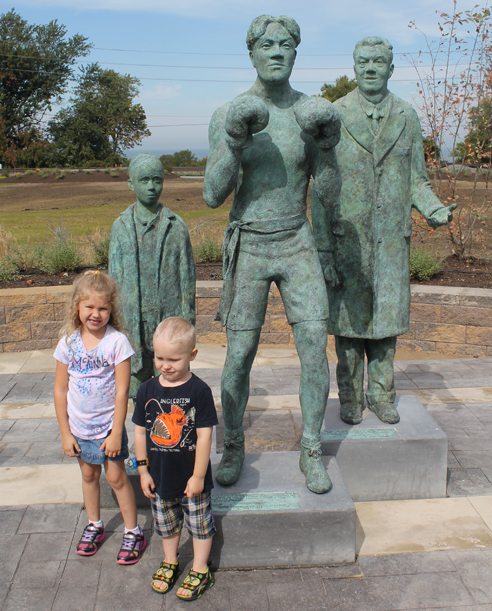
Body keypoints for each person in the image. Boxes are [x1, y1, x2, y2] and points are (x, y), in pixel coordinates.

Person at [203, 14, 341, 494]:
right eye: (267, 44)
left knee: (313, 350)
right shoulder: (229, 113)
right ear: (253, 53)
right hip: (251, 246)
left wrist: (325, 146)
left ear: (296, 53)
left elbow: (327, 195)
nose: (276, 52)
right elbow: (212, 194)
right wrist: (235, 143)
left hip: (297, 240)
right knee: (239, 354)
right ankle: (234, 443)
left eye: (285, 44)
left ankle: (311, 449)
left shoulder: (310, 111)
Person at [312, 36, 456, 426]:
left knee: (386, 325)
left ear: (391, 69)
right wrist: (324, 248)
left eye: (378, 62)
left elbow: (417, 181)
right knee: (348, 328)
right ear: (353, 67)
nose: (371, 68)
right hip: (349, 243)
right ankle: (349, 397)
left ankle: (381, 394)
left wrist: (434, 209)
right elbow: (320, 187)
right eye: (363, 62)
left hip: (392, 242)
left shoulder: (407, 117)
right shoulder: (335, 115)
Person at [53, 271, 146, 564]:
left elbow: (122, 392)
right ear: (77, 307)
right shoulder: (68, 343)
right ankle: (95, 525)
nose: (96, 314)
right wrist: (65, 433)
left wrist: (117, 432)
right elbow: (59, 390)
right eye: (89, 307)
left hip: (108, 428)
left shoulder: (117, 343)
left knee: (117, 477)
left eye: (103, 308)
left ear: (111, 309)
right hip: (79, 428)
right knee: (89, 475)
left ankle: (134, 531)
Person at [133, 317, 218, 601]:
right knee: (166, 525)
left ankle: (200, 568)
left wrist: (197, 476)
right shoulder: (146, 391)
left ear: (192, 355)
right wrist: (143, 470)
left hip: (191, 478)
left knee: (199, 525)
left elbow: (204, 437)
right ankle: (170, 561)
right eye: (159, 357)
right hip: (159, 476)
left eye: (174, 359)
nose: (165, 365)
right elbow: (140, 433)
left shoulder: (199, 391)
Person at [109, 153, 196, 401]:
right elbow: (114, 280)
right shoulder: (121, 226)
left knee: (171, 389)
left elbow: (187, 281)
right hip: (132, 324)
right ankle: (142, 438)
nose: (151, 187)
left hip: (167, 322)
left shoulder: (175, 226)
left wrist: (187, 326)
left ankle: (172, 438)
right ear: (131, 184)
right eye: (144, 180)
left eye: (157, 180)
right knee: (134, 389)